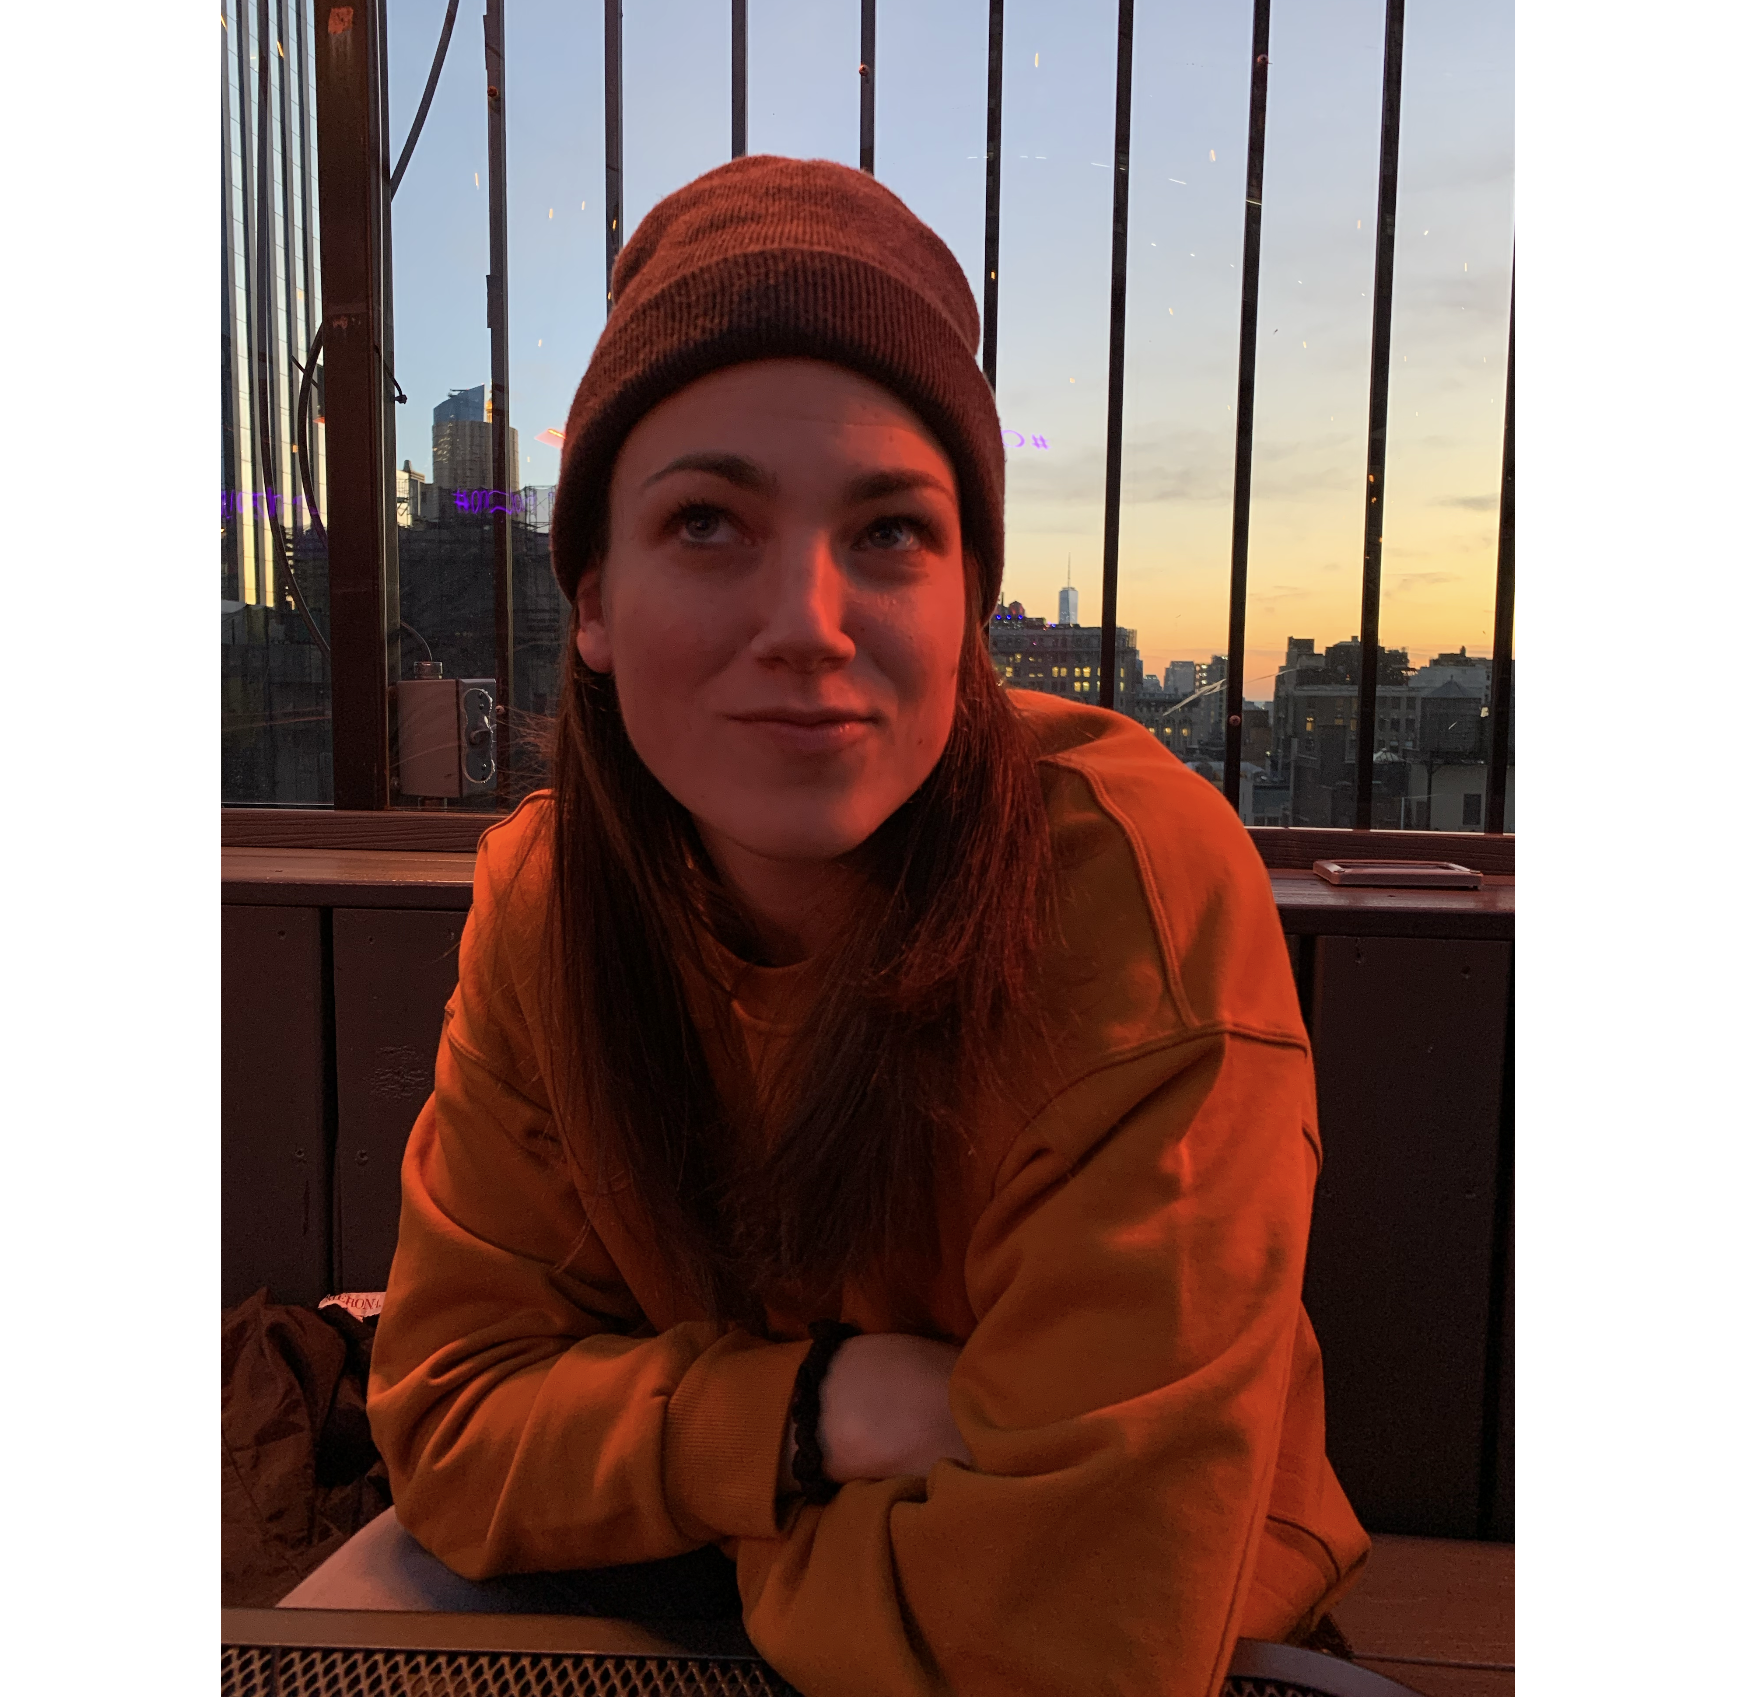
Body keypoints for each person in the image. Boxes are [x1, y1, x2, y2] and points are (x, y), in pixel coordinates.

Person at [315, 156, 1369, 1693]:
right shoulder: (548, 899)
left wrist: (688, 1464)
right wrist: (822, 1408)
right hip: (699, 1572)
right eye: (705, 522)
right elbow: (455, 1423)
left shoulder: (1132, 900)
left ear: (968, 607)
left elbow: (1056, 1652)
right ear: (591, 599)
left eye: (886, 533)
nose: (806, 622)